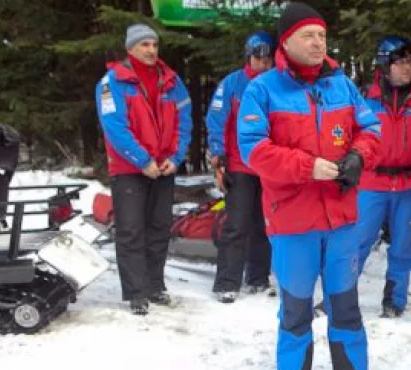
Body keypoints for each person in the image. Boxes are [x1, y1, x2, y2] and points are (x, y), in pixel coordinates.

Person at [237, 2, 382, 370]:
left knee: (345, 301)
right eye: (308, 35)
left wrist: (357, 156)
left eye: (321, 34)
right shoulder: (262, 89)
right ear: (287, 41)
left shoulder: (342, 85)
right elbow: (253, 149)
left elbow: (371, 128)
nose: (318, 42)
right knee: (296, 303)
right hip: (292, 218)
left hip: (340, 217)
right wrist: (307, 167)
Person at [95, 23, 192, 315]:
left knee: (159, 228)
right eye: (143, 45)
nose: (150, 50)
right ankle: (137, 292)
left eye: (154, 45)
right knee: (131, 231)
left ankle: (155, 285)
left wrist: (175, 158)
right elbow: (115, 128)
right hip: (129, 169)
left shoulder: (172, 81)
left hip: (163, 168)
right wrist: (142, 161)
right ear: (130, 49)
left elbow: (184, 122)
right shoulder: (111, 83)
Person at [354, 35, 411, 317]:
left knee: (403, 244)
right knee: (358, 241)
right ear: (384, 65)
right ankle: (338, 296)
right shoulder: (365, 98)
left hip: (409, 183)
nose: (407, 67)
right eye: (400, 62)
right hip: (371, 181)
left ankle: (395, 299)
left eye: (409, 62)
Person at [207, 31, 276, 303]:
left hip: (269, 166)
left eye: (268, 57)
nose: (263, 62)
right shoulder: (233, 83)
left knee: (264, 225)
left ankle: (258, 277)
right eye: (258, 56)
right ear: (249, 55)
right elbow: (217, 120)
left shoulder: (277, 85)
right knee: (236, 224)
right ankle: (227, 281)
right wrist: (218, 157)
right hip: (240, 165)